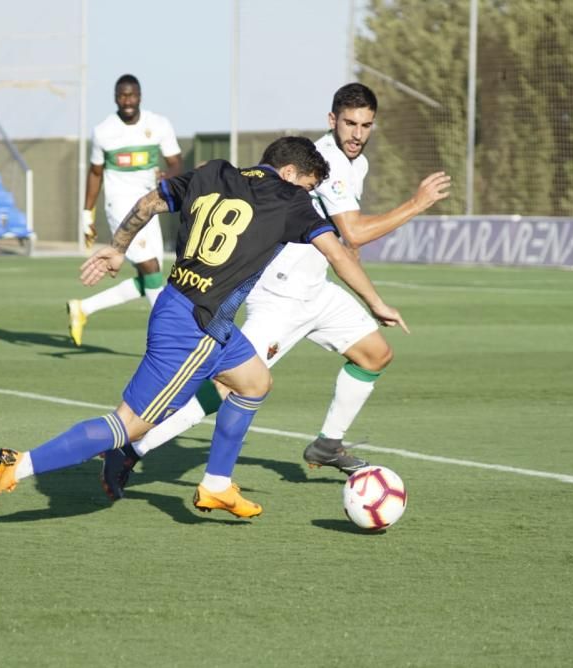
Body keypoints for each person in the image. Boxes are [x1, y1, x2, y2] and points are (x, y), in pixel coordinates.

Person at [0, 136, 407, 518]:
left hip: (189, 308)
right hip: (196, 327)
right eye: (309, 186)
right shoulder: (291, 199)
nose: (309, 197)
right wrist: (376, 302)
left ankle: (216, 485)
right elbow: (338, 253)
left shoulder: (214, 171)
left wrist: (117, 249)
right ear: (291, 172)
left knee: (254, 382)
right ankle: (19, 465)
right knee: (128, 426)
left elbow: (149, 202)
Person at [100, 83, 450, 499]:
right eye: (350, 123)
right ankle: (132, 448)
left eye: (366, 125)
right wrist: (415, 204)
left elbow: (344, 240)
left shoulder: (356, 162)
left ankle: (328, 443)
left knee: (375, 353)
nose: (357, 133)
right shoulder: (327, 164)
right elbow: (353, 230)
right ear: (332, 120)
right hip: (281, 296)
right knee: (229, 386)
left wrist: (362, 288)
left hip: (317, 289)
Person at [67, 74, 183, 346]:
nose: (127, 101)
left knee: (151, 278)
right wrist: (87, 214)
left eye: (131, 95)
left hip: (150, 204)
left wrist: (170, 177)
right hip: (120, 206)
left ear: (140, 96)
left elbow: (176, 162)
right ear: (115, 98)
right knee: (150, 268)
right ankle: (172, 340)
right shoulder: (104, 131)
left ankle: (83, 309)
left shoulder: (158, 124)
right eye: (122, 95)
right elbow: (95, 173)